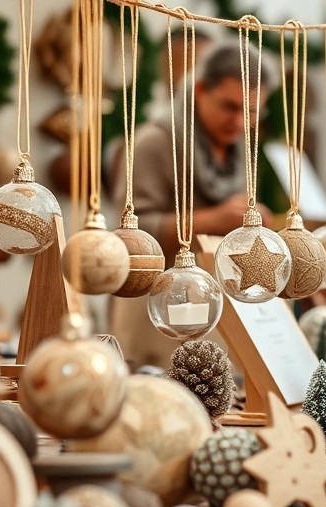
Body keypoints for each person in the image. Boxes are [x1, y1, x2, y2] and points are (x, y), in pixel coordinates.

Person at [110, 44, 272, 369]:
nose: (240, 122)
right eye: (229, 106)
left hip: (214, 323)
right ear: (199, 90)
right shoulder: (154, 143)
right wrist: (216, 218)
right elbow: (131, 238)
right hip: (157, 321)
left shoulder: (240, 151)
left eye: (252, 111)